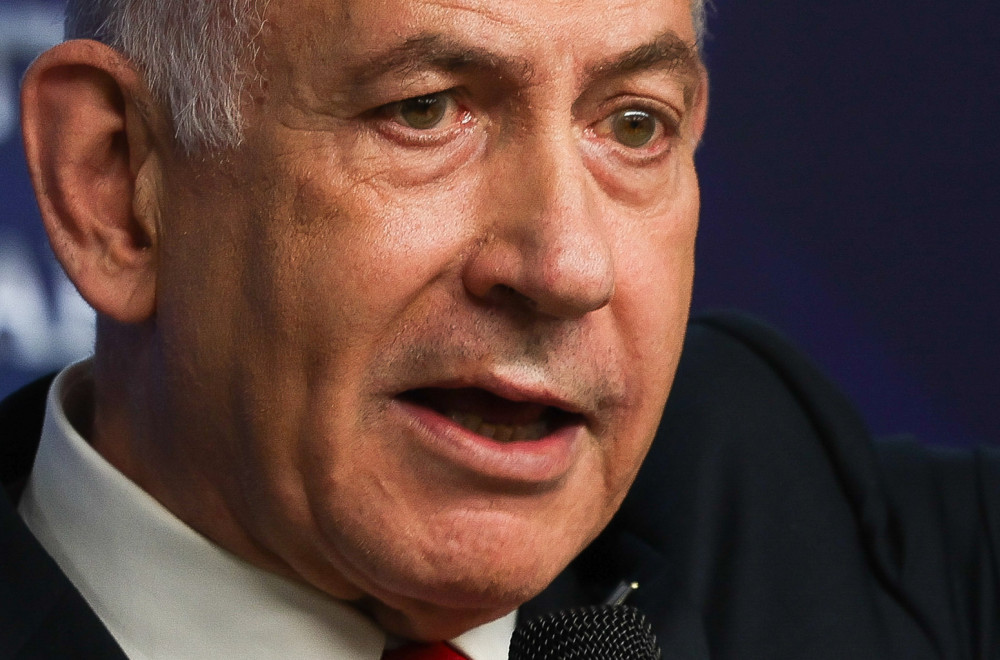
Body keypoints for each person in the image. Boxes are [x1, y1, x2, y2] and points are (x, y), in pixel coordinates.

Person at [0, 0, 997, 659]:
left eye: (634, 124)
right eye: (425, 111)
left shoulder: (775, 498)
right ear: (115, 184)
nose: (566, 268)